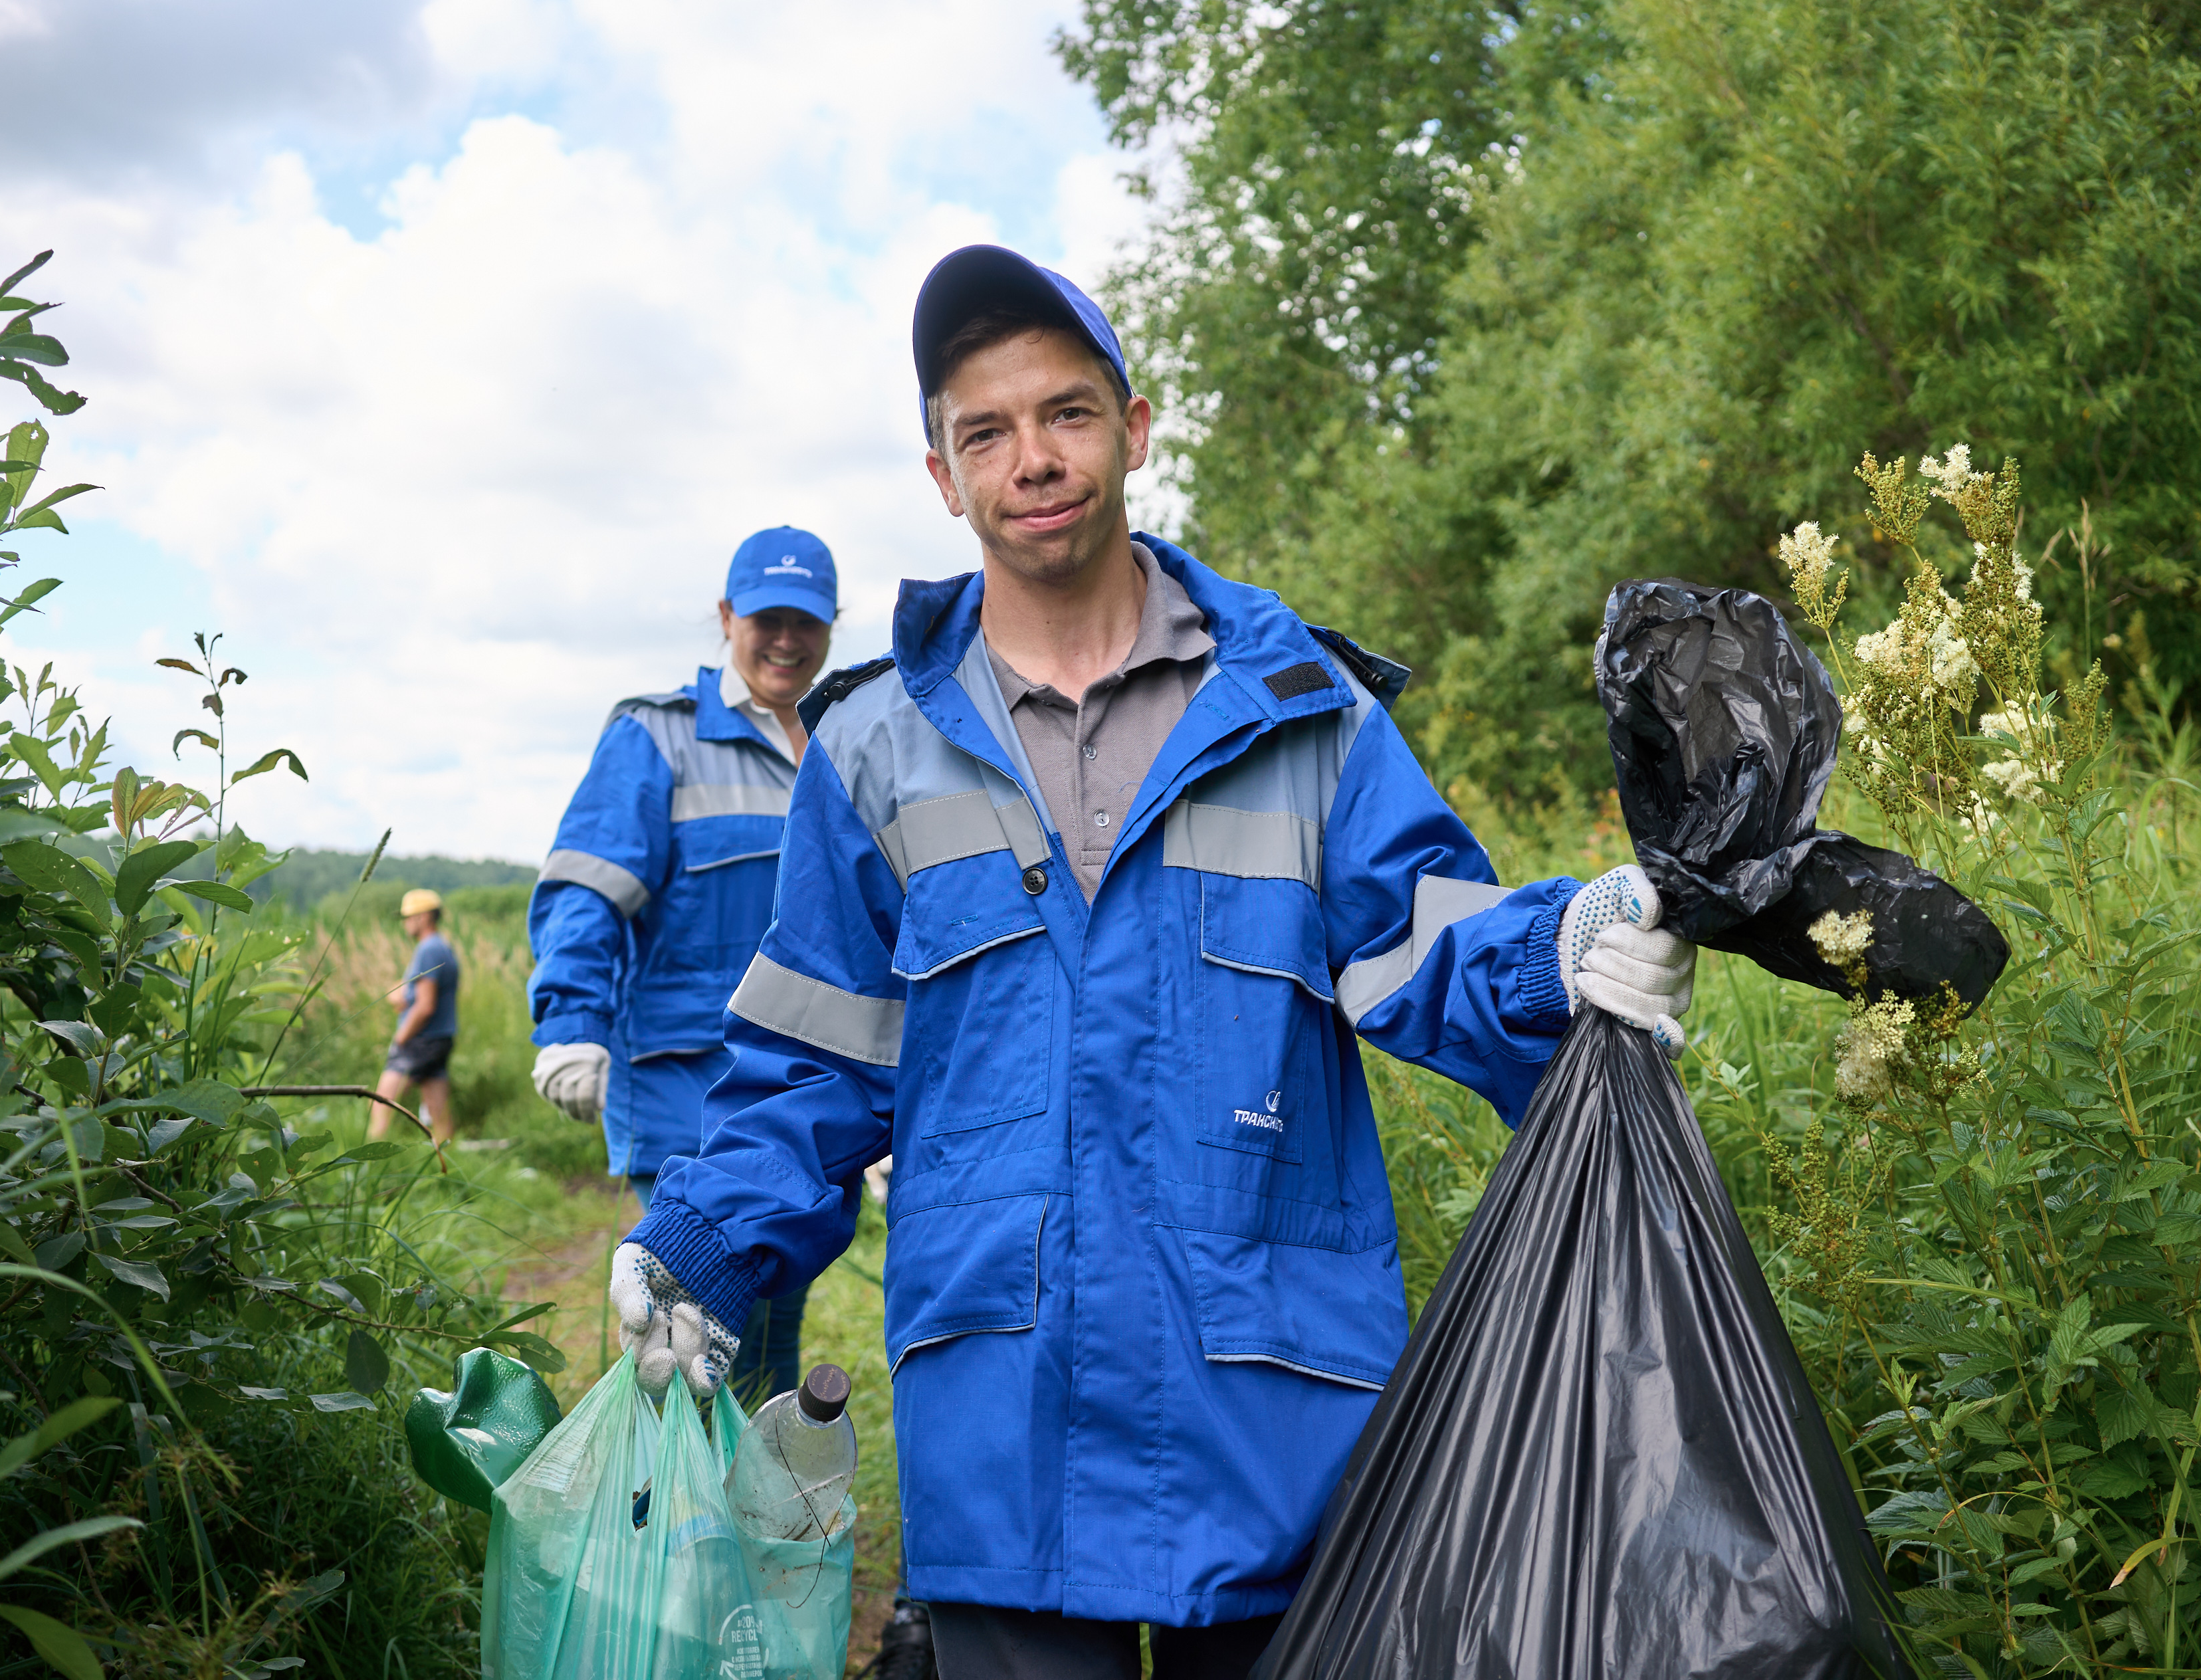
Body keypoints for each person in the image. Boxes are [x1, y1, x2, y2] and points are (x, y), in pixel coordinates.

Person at [609, 247, 1698, 1680]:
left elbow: (1427, 937)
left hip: (1275, 1411)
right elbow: (814, 1059)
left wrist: (1563, 944)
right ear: (941, 476)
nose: (1031, 459)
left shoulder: (1298, 704)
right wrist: (695, 1239)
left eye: (1065, 414)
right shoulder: (871, 749)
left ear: (1134, 425)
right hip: (1007, 1411)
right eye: (983, 432)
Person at [525, 526, 836, 1400]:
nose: (785, 641)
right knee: (682, 1327)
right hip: (682, 1087)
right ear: (727, 616)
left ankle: (741, 1528)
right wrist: (572, 1022)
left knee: (771, 1327)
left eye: (806, 622)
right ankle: (655, 1522)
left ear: (831, 627)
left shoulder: (845, 749)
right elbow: (589, 889)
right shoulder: (657, 738)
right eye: (766, 618)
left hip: (807, 1096)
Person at [374, 889, 460, 1144]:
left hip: (420, 1040)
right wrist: (401, 995)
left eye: (408, 917)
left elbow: (425, 1006)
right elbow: (422, 992)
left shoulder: (428, 950)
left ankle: (367, 1163)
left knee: (381, 1105)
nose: (405, 923)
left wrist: (402, 1038)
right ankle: (447, 1165)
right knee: (439, 1113)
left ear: (423, 917)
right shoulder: (442, 947)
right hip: (440, 1039)